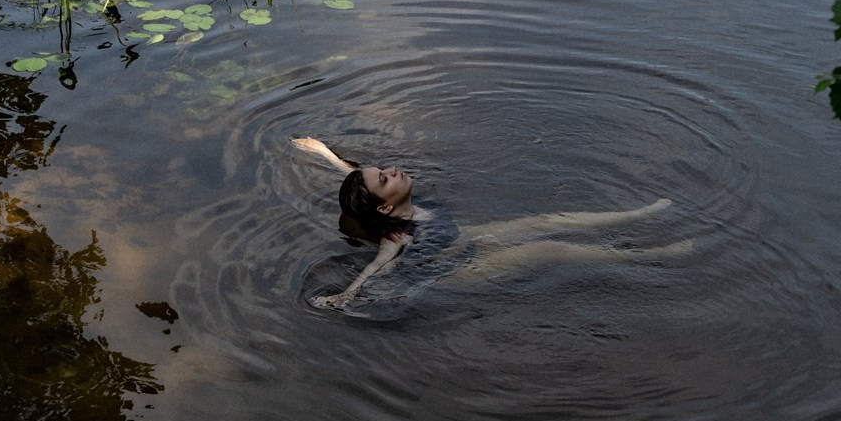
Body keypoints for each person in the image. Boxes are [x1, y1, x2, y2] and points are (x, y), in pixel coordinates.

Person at [290, 136, 687, 311]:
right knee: (549, 248)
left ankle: (637, 215)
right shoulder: (397, 237)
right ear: (385, 210)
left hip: (461, 242)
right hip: (457, 272)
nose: (392, 169)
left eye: (386, 170)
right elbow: (375, 269)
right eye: (385, 179)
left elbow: (355, 171)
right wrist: (345, 296)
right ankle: (650, 256)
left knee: (542, 221)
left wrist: (323, 151)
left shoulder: (412, 208)